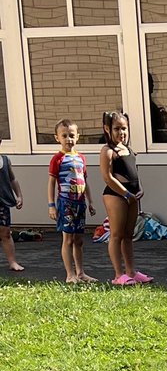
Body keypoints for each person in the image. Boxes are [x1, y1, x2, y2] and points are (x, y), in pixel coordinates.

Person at [99, 111, 152, 286]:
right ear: (107, 129)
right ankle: (118, 274)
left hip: (132, 196)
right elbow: (108, 177)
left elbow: (135, 172)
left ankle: (131, 271)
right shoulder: (108, 151)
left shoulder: (128, 149)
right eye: (117, 129)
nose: (121, 132)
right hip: (116, 195)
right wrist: (125, 194)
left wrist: (140, 189)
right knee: (117, 234)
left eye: (124, 128)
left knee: (129, 235)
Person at [47, 120, 96, 283]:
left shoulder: (81, 158)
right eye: (64, 136)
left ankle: (81, 273)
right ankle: (70, 274)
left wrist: (90, 201)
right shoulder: (57, 159)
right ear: (57, 138)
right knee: (67, 239)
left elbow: (84, 180)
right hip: (65, 203)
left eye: (72, 135)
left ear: (77, 137)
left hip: (80, 203)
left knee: (79, 240)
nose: (69, 139)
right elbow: (51, 183)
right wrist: (51, 205)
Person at [0, 146, 25, 273]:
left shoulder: (5, 160)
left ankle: (12, 262)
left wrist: (19, 195)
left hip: (3, 202)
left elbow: (12, 179)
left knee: (5, 233)